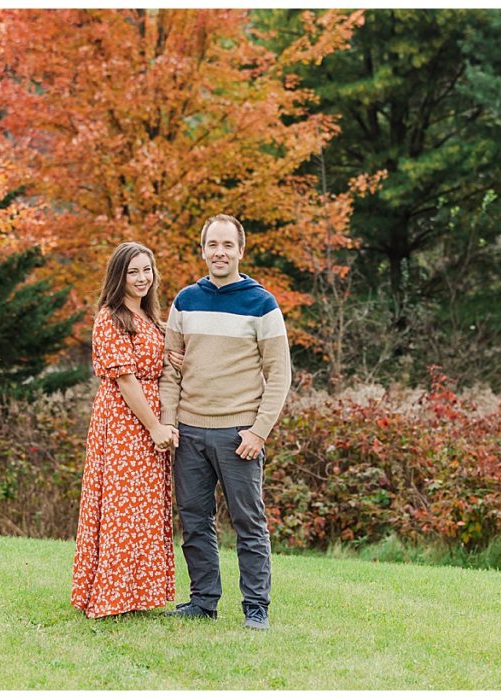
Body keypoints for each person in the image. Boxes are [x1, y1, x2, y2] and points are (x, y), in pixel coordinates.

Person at [160, 214, 291, 630]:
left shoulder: (262, 304)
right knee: (195, 520)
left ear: (240, 250)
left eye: (227, 245)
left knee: (249, 522)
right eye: (212, 245)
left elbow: (280, 375)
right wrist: (168, 424)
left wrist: (258, 431)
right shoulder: (184, 301)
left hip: (239, 435)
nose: (220, 252)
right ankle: (203, 600)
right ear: (203, 250)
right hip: (189, 432)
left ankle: (256, 607)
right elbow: (170, 371)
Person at [71, 242, 180, 619]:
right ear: (119, 276)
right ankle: (111, 596)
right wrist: (154, 426)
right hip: (124, 421)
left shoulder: (151, 319)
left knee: (145, 508)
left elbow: (156, 360)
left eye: (147, 270)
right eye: (133, 271)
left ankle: (137, 594)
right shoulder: (110, 317)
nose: (142, 278)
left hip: (149, 418)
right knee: (121, 507)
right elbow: (127, 379)